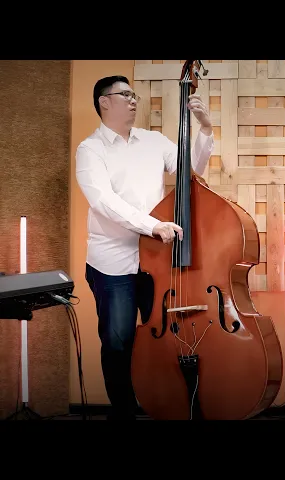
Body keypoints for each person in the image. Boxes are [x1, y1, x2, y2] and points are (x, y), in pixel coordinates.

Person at [76, 75, 214, 420]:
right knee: (118, 342)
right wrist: (152, 225)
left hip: (156, 261)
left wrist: (205, 129)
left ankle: (168, 407)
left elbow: (191, 170)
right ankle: (124, 413)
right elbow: (103, 201)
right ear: (104, 102)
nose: (133, 100)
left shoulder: (153, 141)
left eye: (133, 95)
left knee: (166, 339)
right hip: (112, 264)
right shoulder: (90, 150)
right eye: (125, 95)